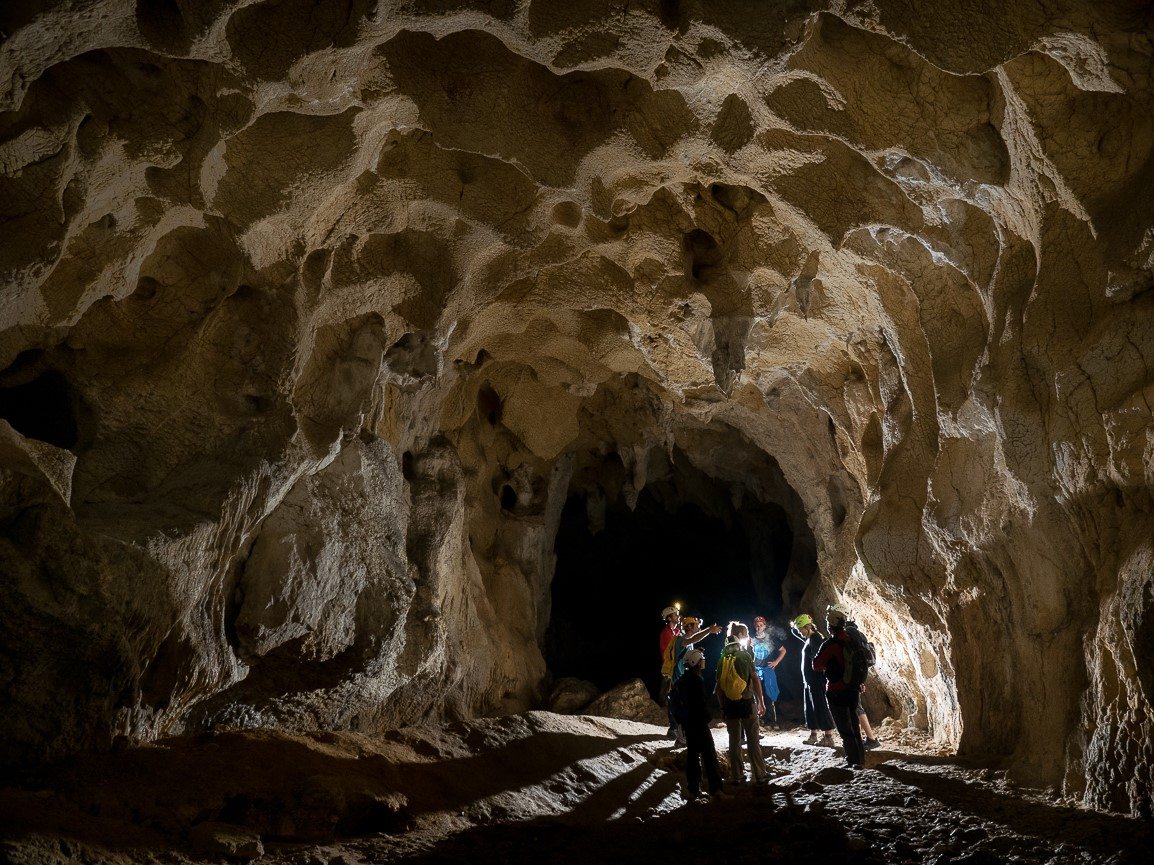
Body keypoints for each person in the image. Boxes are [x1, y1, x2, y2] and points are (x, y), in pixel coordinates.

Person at [812, 603, 866, 769]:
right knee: (855, 726)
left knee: (845, 729)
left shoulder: (831, 644)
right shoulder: (852, 640)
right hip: (853, 689)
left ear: (830, 625)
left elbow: (817, 665)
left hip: (837, 691)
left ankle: (853, 761)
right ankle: (860, 759)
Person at [715, 622, 769, 784]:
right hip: (746, 702)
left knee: (734, 741)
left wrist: (723, 707)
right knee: (753, 739)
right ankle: (759, 773)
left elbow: (718, 688)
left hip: (730, 705)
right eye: (745, 633)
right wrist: (761, 702)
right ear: (739, 635)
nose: (748, 636)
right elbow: (755, 679)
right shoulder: (744, 656)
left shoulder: (722, 657)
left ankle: (737, 775)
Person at [660, 606, 722, 744]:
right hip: (679, 679)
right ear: (689, 627)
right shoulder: (681, 639)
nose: (698, 627)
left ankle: (683, 736)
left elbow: (693, 640)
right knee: (683, 707)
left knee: (686, 707)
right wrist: (709, 631)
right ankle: (681, 738)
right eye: (695, 625)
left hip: (683, 678)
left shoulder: (686, 641)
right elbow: (694, 639)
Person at [671, 648, 725, 802]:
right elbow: (700, 704)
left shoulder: (681, 680)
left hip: (688, 724)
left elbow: (674, 702)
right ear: (695, 662)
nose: (703, 662)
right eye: (701, 659)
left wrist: (682, 720)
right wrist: (706, 718)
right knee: (709, 756)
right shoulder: (696, 680)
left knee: (693, 756)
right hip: (699, 724)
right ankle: (716, 791)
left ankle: (693, 789)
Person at [791, 613, 836, 747]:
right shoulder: (810, 639)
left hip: (816, 680)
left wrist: (818, 676)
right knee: (810, 708)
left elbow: (818, 660)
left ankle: (828, 736)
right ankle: (813, 734)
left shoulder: (816, 639)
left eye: (801, 630)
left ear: (808, 627)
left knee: (820, 706)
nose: (800, 633)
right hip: (809, 681)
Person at [751, 615, 786, 728]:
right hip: (756, 670)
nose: (759, 628)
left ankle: (772, 721)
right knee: (757, 695)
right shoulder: (751, 640)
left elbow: (783, 650)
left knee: (769, 694)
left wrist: (776, 662)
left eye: (761, 625)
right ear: (754, 626)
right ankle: (761, 719)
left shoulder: (771, 639)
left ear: (765, 626)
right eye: (757, 626)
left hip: (768, 670)